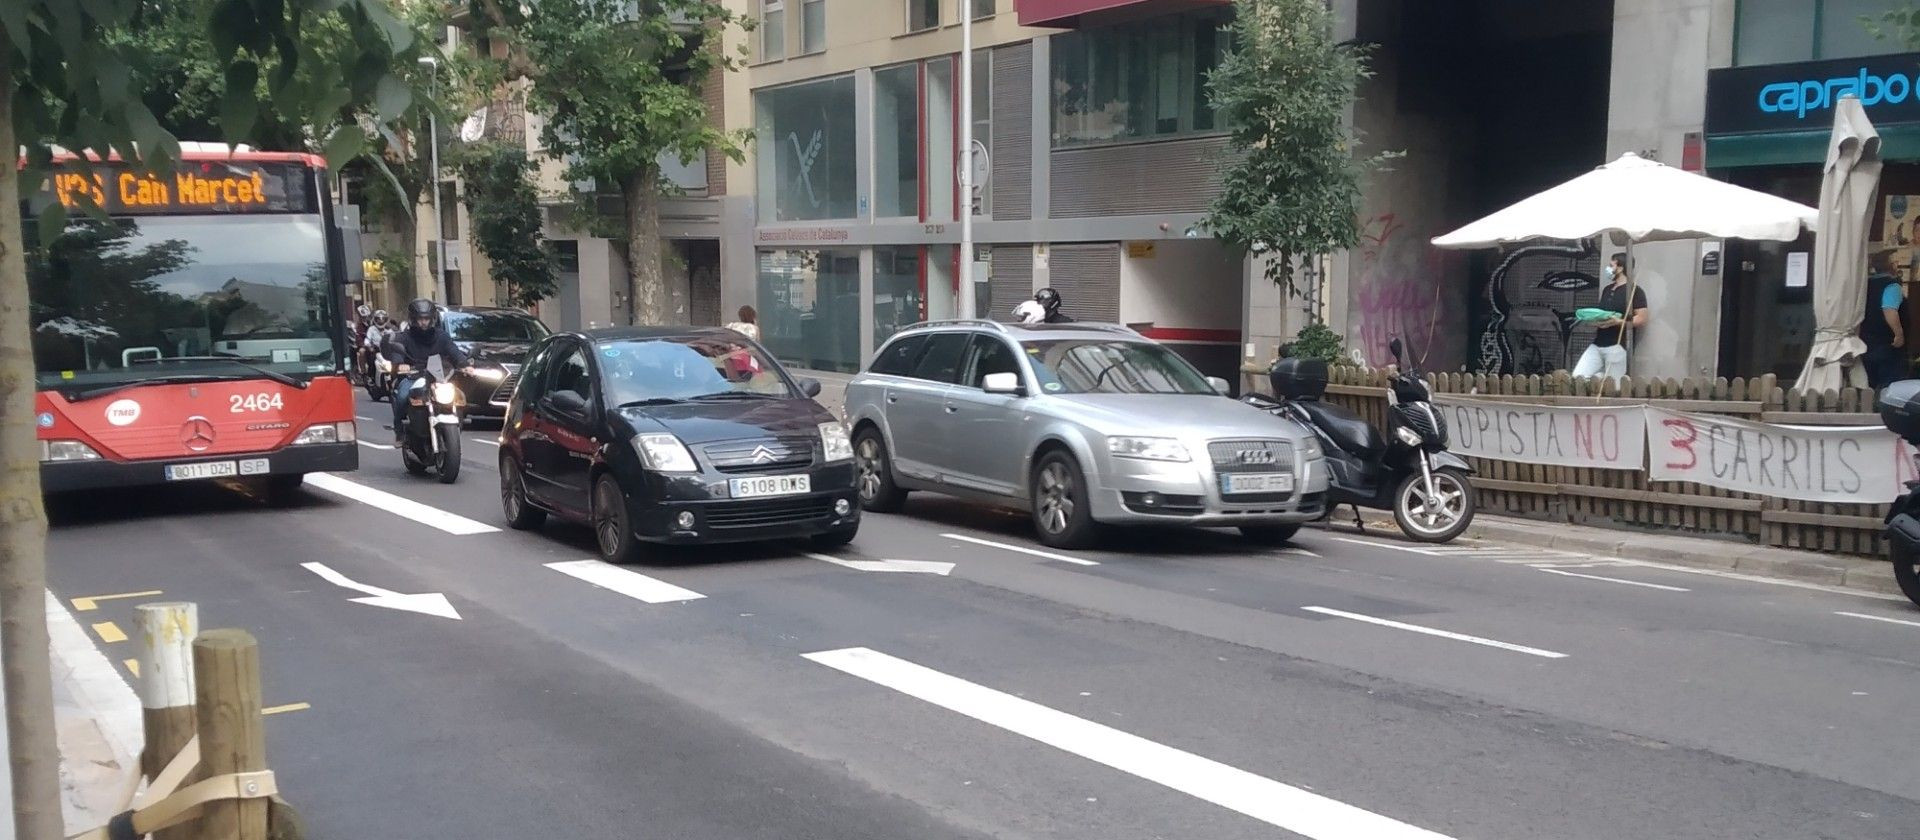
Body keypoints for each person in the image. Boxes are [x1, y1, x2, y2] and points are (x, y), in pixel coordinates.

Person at [384, 298, 471, 446]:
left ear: (432, 319)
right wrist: (400, 365)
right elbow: (397, 354)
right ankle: (399, 432)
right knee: (402, 396)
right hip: (413, 377)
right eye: (420, 319)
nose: (423, 322)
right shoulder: (404, 337)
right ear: (413, 319)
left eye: (426, 318)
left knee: (458, 395)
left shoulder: (441, 336)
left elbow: (453, 351)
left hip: (438, 377)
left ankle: (456, 422)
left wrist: (465, 365)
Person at [1571, 254, 1648, 380]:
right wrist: (1595, 321)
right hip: (1598, 343)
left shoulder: (1635, 291)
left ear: (1620, 267)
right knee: (1578, 376)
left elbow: (1641, 318)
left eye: (1611, 265)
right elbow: (1603, 313)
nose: (1608, 268)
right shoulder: (1607, 289)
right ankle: (1598, 379)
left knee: (1613, 384)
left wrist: (1619, 322)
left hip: (1618, 345)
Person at [1864, 244, 1908, 388]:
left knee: (1869, 387)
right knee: (1888, 387)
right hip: (1887, 345)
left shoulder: (1866, 285)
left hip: (1867, 344)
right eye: (1895, 262)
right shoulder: (1892, 286)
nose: (1897, 264)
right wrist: (1899, 334)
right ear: (1889, 265)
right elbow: (1889, 309)